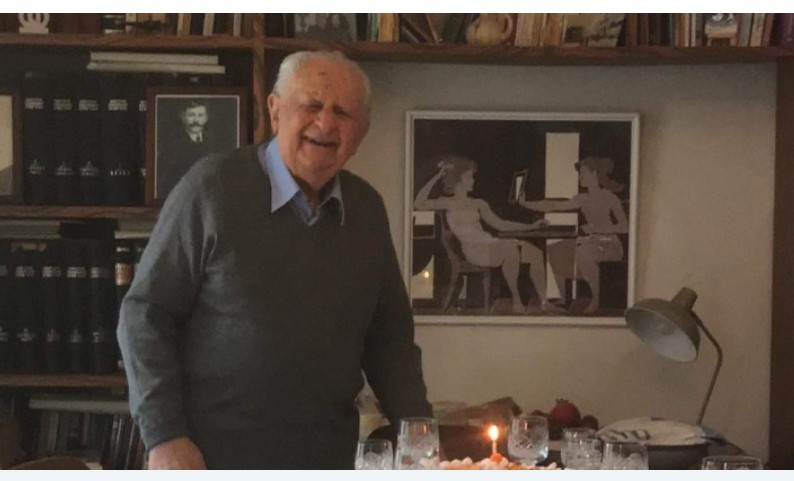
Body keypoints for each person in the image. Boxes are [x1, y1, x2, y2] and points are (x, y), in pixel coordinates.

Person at [117, 50, 433, 469]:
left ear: (362, 131)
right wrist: (164, 436)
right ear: (275, 111)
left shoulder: (366, 210)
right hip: (210, 459)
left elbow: (389, 339)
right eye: (312, 105)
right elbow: (145, 315)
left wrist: (421, 437)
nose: (326, 124)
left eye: (342, 112)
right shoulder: (211, 189)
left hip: (328, 458)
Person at [414, 155, 561, 314]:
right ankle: (517, 301)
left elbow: (500, 224)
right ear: (457, 180)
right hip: (474, 251)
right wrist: (438, 176)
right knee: (509, 248)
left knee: (535, 253)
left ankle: (544, 302)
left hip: (491, 244)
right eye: (469, 177)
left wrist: (532, 226)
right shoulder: (446, 202)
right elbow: (418, 203)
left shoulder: (478, 203)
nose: (473, 181)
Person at [518, 156, 628, 313]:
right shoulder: (582, 198)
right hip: (592, 241)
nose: (580, 177)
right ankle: (564, 298)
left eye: (583, 173)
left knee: (584, 251)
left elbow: (624, 227)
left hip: (611, 245)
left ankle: (595, 301)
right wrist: (526, 204)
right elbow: (554, 205)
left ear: (594, 173)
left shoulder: (611, 198)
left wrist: (598, 228)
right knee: (556, 249)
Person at [156, 99, 226, 200]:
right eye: (191, 115)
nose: (196, 120)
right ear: (183, 117)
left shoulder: (214, 141)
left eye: (200, 115)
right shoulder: (172, 144)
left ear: (206, 118)